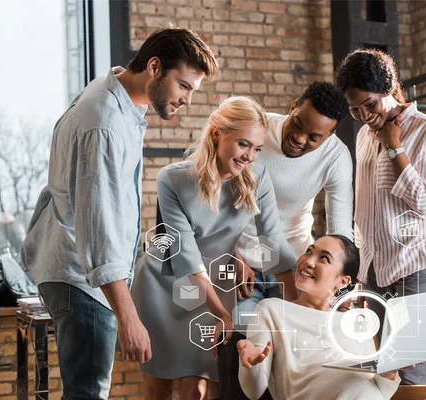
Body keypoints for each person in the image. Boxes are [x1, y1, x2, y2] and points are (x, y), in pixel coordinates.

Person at [21, 28, 218, 399]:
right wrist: (129, 318)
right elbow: (101, 227)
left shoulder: (115, 95)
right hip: (81, 278)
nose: (188, 100)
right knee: (88, 393)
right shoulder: (106, 124)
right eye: (184, 86)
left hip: (70, 266)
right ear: (155, 67)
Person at [131, 96, 298, 400]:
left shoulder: (258, 178)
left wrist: (298, 304)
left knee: (196, 390)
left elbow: (273, 241)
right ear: (217, 134)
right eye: (244, 144)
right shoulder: (173, 178)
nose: (250, 156)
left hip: (215, 282)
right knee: (158, 391)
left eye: (257, 148)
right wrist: (221, 312)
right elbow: (185, 252)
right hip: (165, 284)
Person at [334, 48, 426, 385]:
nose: (364, 115)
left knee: (411, 368)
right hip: (375, 267)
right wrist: (359, 270)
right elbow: (366, 207)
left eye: (370, 104)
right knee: (380, 367)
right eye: (355, 109)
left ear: (388, 87)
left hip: (416, 262)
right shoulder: (362, 135)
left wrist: (394, 147)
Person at [236, 82, 353, 316]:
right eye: (297, 123)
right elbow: (214, 199)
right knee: (242, 337)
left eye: (313, 137)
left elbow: (340, 231)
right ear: (293, 107)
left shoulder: (335, 157)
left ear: (330, 136)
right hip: (241, 261)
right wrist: (231, 254)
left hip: (294, 264)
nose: (299, 138)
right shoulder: (256, 131)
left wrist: (339, 292)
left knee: (294, 340)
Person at [237, 235, 401, 400]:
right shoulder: (272, 310)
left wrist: (390, 371)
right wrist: (251, 364)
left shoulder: (357, 322)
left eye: (324, 258)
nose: (308, 261)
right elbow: (254, 391)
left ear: (343, 281)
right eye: (309, 251)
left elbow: (380, 391)